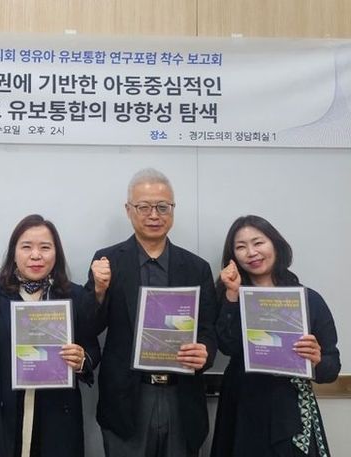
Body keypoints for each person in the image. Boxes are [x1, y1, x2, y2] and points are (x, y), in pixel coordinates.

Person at [87, 168, 218, 457]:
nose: (154, 215)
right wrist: (98, 290)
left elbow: (208, 330)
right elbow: (90, 327)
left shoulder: (196, 267)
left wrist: (205, 352)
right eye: (144, 207)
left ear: (173, 209)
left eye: (163, 207)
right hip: (127, 401)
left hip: (182, 398)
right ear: (128, 210)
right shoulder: (107, 261)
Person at [0, 214, 101, 457]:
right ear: (14, 253)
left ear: (56, 254)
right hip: (1, 415)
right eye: (26, 247)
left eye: (45, 247)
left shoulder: (74, 295)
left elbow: (92, 349)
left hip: (56, 416)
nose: (36, 255)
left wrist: (81, 360)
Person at [211, 215, 340, 457]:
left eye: (258, 242)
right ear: (233, 255)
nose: (251, 252)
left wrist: (316, 360)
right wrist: (232, 294)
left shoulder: (308, 299)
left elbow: (331, 369)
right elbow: (227, 345)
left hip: (291, 408)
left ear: (275, 245)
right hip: (243, 405)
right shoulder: (228, 296)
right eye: (241, 247)